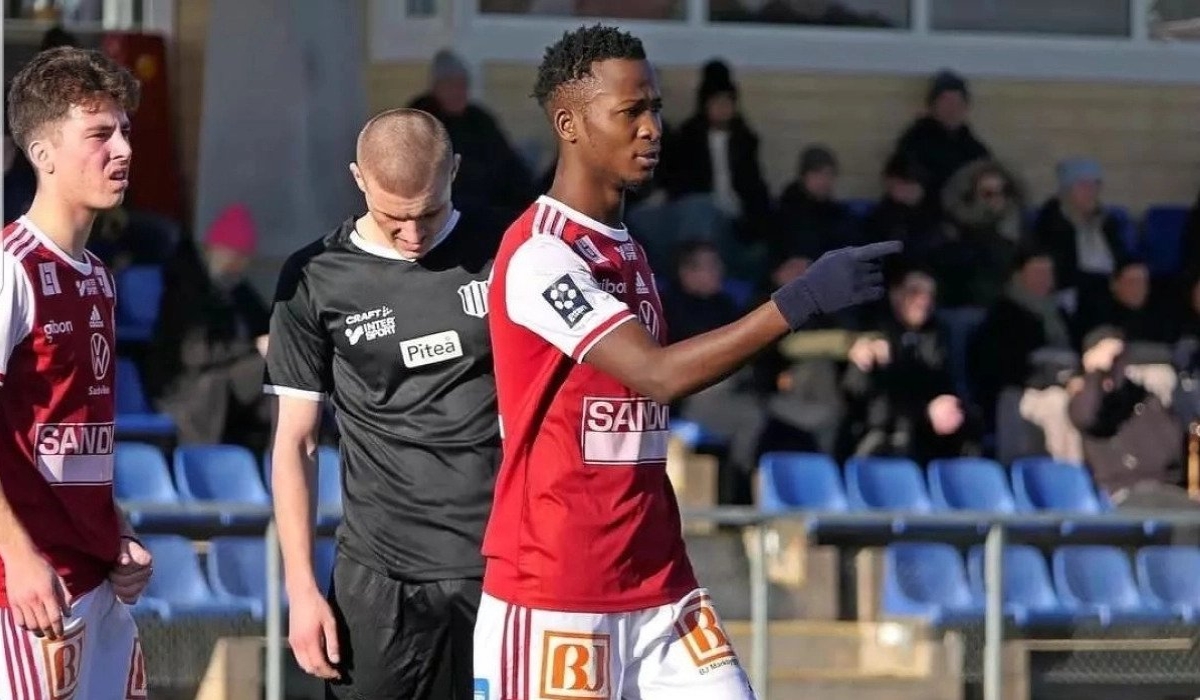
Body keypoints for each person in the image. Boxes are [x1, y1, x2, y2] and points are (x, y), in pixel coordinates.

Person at [476, 24, 899, 700]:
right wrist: (798, 300)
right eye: (630, 112)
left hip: (659, 581)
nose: (652, 129)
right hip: (557, 585)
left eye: (656, 108)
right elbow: (658, 373)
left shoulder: (629, 247)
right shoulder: (540, 255)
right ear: (569, 123)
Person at [265, 108, 505, 699]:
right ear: (358, 180)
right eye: (394, 218)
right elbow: (296, 442)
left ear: (454, 171)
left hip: (499, 567)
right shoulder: (315, 277)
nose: (414, 235)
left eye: (428, 212)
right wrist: (301, 588)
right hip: (380, 576)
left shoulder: (509, 251)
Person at [0, 47, 152, 697]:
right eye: (99, 134)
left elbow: (71, 437)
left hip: (96, 583)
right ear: (44, 153)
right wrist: (16, 554)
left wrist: (117, 529)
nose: (121, 149)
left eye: (124, 131)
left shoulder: (97, 276)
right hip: (29, 595)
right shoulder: (12, 267)